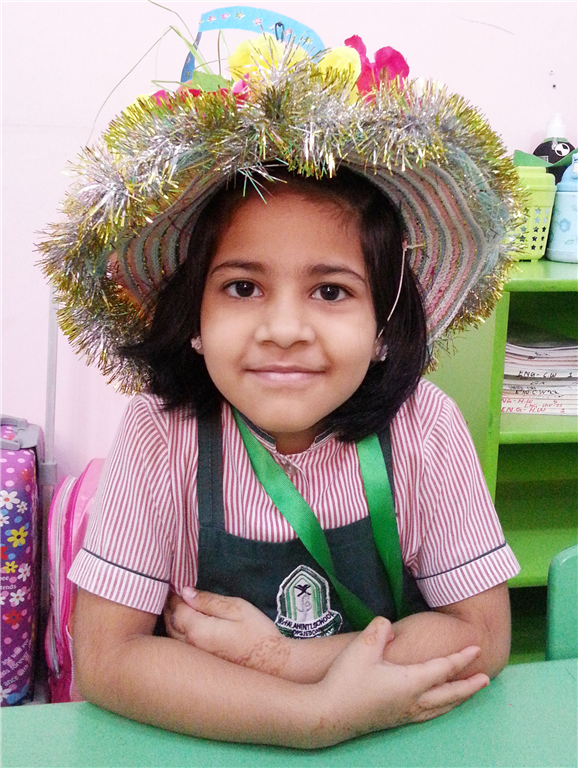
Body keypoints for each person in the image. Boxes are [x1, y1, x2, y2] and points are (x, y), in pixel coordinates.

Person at [40, 28, 523, 749]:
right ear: (194, 320)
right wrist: (314, 717)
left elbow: (481, 634)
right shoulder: (159, 433)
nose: (286, 329)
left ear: (384, 325)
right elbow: (109, 660)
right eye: (243, 287)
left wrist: (282, 660)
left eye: (331, 291)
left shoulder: (426, 426)